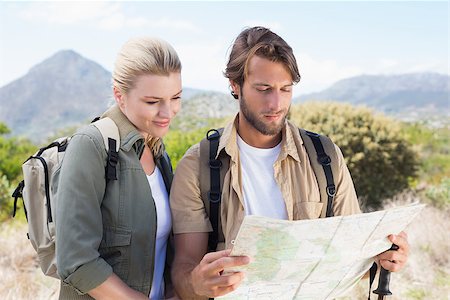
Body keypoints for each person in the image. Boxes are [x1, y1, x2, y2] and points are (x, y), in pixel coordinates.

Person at [169, 26, 410, 299]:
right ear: (235, 86)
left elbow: (355, 258)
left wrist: (385, 255)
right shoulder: (198, 164)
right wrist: (196, 283)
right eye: (264, 89)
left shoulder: (325, 157)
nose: (276, 103)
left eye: (286, 89)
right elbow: (184, 268)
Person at [55, 37, 182, 299]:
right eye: (152, 101)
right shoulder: (91, 145)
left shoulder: (159, 153)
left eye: (176, 97)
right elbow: (76, 261)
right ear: (119, 96)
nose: (167, 112)